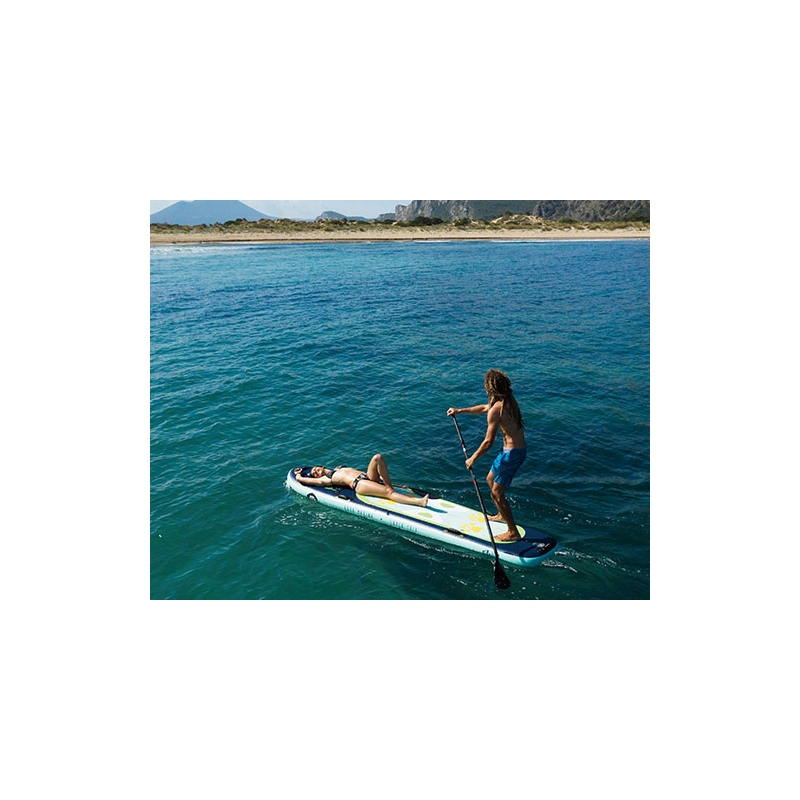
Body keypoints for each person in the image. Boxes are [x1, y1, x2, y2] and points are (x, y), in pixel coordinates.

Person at [447, 369, 527, 542]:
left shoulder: (496, 410)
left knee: (496, 494)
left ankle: (513, 531)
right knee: (490, 479)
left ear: (490, 388)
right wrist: (459, 410)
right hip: (513, 451)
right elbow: (484, 407)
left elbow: (488, 442)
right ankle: (501, 514)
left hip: (512, 454)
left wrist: (472, 459)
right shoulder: (508, 401)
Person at [293, 453, 429, 507]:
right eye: (314, 474)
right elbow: (309, 481)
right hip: (359, 484)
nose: (316, 472)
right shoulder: (326, 479)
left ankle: (389, 486)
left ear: (321, 466)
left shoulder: (338, 467)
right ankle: (419, 502)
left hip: (367, 477)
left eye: (315, 469)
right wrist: (299, 476)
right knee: (388, 493)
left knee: (377, 457)